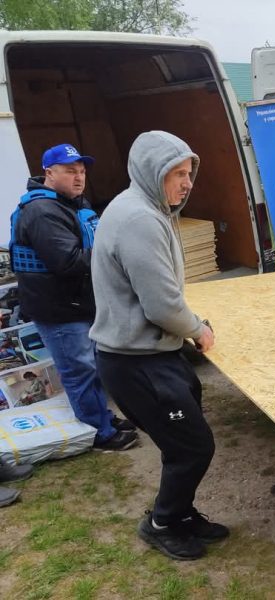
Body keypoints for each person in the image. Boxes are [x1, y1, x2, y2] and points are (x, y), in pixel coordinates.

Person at [90, 130, 228, 562]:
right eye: (177, 174)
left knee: (182, 440)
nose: (187, 183)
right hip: (136, 360)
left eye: (189, 173)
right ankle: (162, 523)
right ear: (153, 172)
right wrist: (197, 329)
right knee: (192, 446)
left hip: (149, 354)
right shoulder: (140, 220)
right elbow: (162, 304)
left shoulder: (144, 208)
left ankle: (181, 513)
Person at [9, 143, 138, 451]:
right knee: (79, 371)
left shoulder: (70, 203)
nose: (79, 177)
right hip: (59, 310)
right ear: (49, 173)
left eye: (81, 171)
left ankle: (103, 418)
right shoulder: (42, 212)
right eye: (70, 171)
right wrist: (115, 248)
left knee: (91, 366)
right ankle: (99, 433)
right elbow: (68, 262)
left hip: (78, 304)